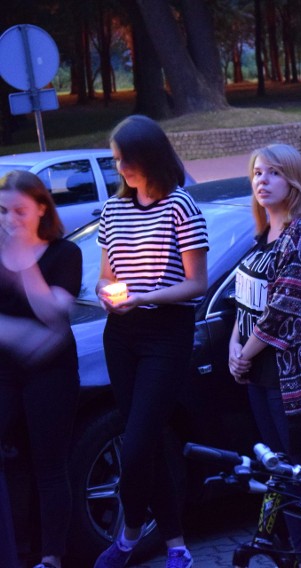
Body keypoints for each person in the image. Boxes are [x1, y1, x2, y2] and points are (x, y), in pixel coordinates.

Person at [94, 115, 208, 568]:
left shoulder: (181, 206)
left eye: (126, 159)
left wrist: (144, 297)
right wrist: (109, 293)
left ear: (150, 158)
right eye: (117, 159)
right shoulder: (113, 209)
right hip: (121, 334)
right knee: (149, 438)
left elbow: (196, 283)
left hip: (166, 333)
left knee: (138, 443)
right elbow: (106, 275)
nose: (120, 168)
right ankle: (177, 544)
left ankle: (129, 532)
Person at [228, 144, 301, 568]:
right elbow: (243, 302)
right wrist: (234, 348)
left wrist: (246, 351)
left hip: (295, 377)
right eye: (258, 173)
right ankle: (299, 555)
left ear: (293, 180)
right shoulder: (263, 236)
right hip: (259, 373)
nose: (262, 180)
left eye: (274, 173)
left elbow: (286, 308)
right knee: (280, 471)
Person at [0, 171, 82, 568]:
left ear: (41, 209)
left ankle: (52, 557)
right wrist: (15, 334)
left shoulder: (64, 254)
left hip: (51, 372)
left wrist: (23, 264)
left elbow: (52, 313)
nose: (8, 219)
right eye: (1, 211)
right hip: (6, 369)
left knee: (49, 465)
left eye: (19, 210)